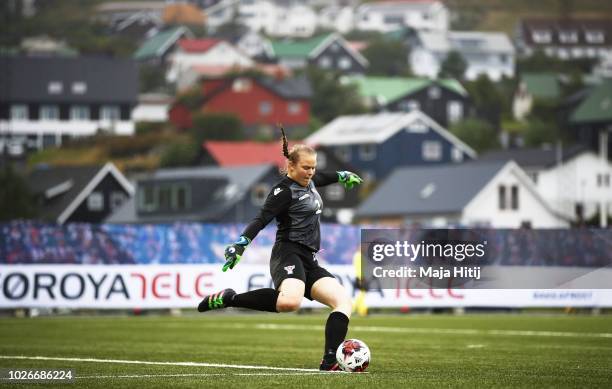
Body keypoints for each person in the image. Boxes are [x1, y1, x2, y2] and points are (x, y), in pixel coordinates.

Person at [197, 128, 363, 371]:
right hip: (287, 253)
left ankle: (330, 361)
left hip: (309, 259)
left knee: (344, 301)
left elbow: (324, 177)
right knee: (290, 303)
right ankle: (229, 298)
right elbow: (261, 219)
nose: (311, 172)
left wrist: (341, 175)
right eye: (306, 167)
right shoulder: (282, 191)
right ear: (291, 166)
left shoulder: (310, 180)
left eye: (314, 167)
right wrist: (240, 245)